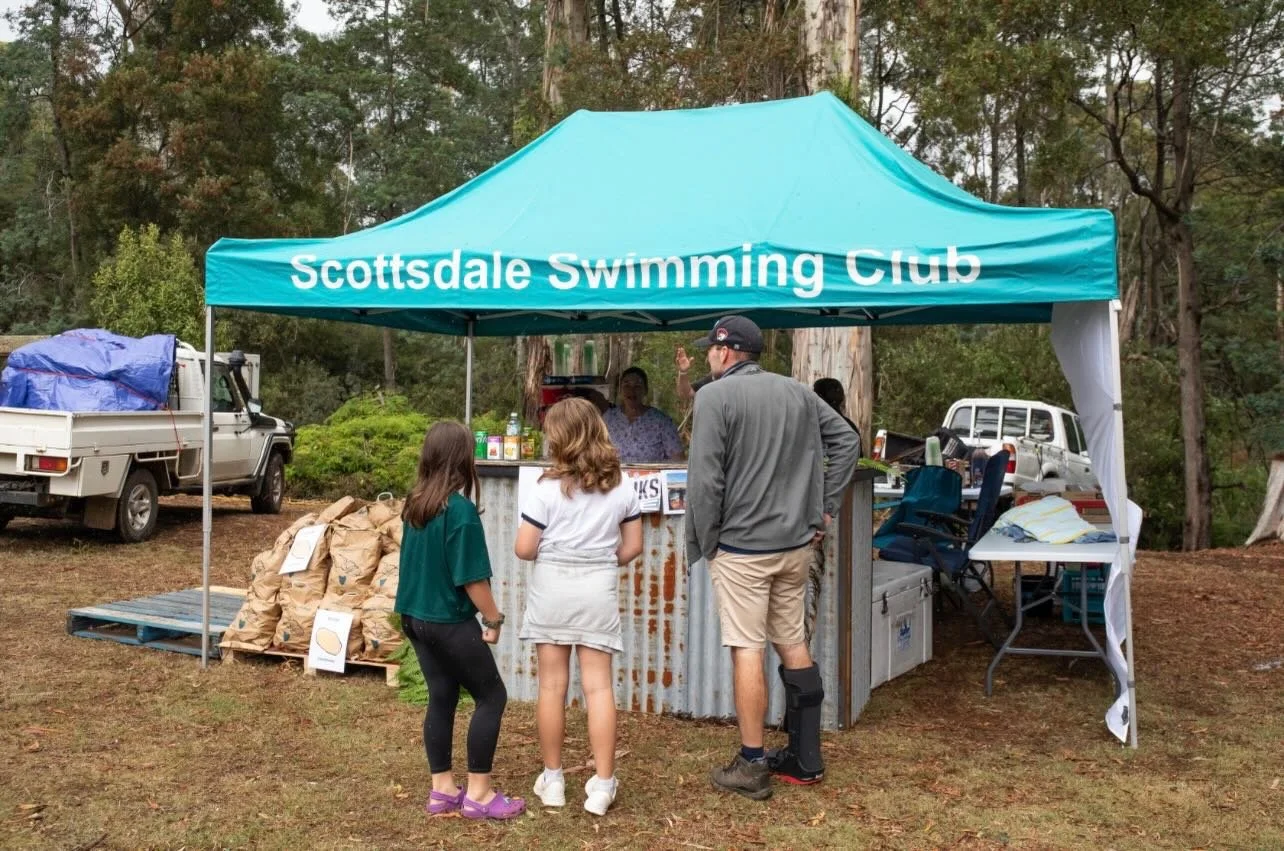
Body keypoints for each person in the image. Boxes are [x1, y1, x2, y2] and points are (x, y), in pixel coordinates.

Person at [685, 316, 860, 799]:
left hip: (742, 548)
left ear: (725, 351)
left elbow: (705, 479)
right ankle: (806, 758)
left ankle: (752, 762)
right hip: (794, 546)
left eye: (710, 349)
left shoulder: (713, 397)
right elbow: (848, 441)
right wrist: (824, 508)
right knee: (791, 640)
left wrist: (707, 540)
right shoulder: (797, 391)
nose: (707, 356)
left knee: (747, 648)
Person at [514, 397, 645, 816]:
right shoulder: (622, 485)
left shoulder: (545, 488)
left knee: (552, 687)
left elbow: (524, 548)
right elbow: (633, 547)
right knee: (599, 688)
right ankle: (602, 785)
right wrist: (602, 560)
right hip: (597, 589)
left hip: (552, 589)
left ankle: (553, 780)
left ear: (559, 438)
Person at [395, 421, 525, 820]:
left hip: (414, 618)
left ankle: (443, 790)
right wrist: (494, 619)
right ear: (462, 459)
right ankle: (480, 794)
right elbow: (472, 580)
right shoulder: (460, 510)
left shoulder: (416, 504)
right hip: (447, 621)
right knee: (492, 696)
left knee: (442, 695)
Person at [805, 378, 863, 646]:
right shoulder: (845, 427)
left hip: (811, 523)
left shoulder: (810, 426)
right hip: (819, 522)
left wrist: (826, 509)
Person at [603, 366, 685, 463]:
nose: (632, 390)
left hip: (652, 473)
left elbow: (678, 459)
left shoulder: (661, 422)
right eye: (626, 385)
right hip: (614, 472)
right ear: (620, 390)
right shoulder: (607, 419)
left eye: (637, 386)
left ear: (645, 390)